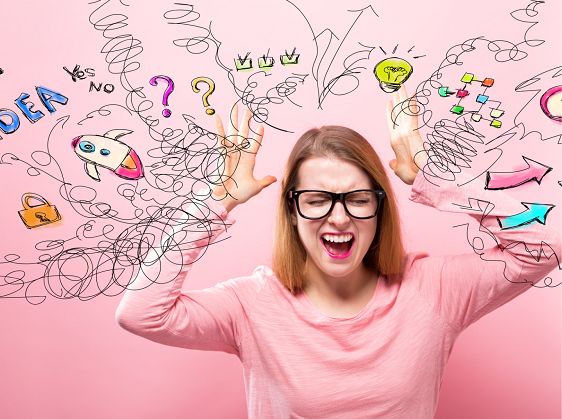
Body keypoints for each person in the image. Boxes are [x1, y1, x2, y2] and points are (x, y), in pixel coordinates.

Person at [115, 86, 561, 418]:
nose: (339, 217)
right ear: (291, 210)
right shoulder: (251, 305)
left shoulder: (433, 289)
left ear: (380, 207)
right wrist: (216, 202)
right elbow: (140, 313)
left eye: (358, 198)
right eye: (316, 199)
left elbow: (547, 247)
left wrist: (436, 183)